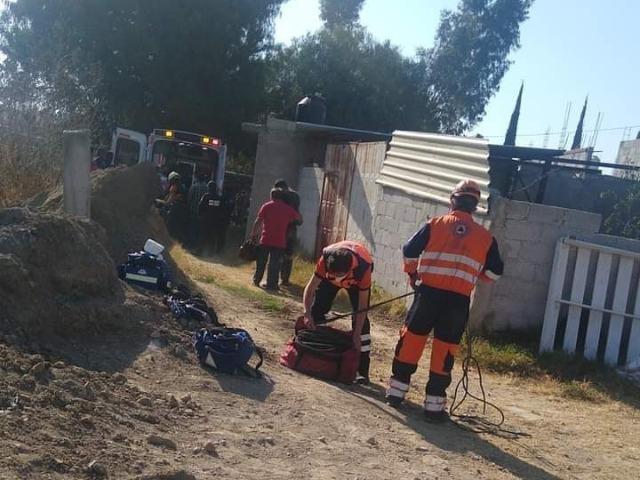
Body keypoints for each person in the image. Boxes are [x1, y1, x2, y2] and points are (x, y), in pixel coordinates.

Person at [386, 179, 504, 423]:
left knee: (411, 341)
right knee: (445, 349)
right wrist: (474, 276)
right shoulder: (485, 238)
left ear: (453, 201)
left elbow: (409, 250)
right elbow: (495, 272)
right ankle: (434, 406)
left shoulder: (435, 224)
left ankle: (396, 394)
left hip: (427, 294)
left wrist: (413, 274)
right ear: (474, 206)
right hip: (457, 302)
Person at [302, 241, 374, 384]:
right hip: (328, 284)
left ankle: (361, 371)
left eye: (338, 274)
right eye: (332, 273)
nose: (335, 277)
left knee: (362, 326)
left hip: (355, 284)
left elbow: (362, 306)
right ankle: (315, 353)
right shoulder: (326, 259)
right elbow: (310, 288)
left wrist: (357, 333)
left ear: (350, 268)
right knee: (317, 311)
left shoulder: (363, 268)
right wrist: (306, 313)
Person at [249, 189, 301, 291]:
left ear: (271, 196)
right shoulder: (288, 209)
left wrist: (253, 233)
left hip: (266, 239)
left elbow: (258, 221)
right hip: (280, 241)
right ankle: (271, 285)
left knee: (261, 262)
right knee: (275, 264)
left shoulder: (267, 206)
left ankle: (257, 280)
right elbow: (299, 219)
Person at [272, 179, 302, 287]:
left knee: (278, 253)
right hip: (292, 227)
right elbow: (297, 214)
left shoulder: (280, 195)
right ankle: (285, 279)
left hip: (282, 227)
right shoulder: (296, 196)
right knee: (288, 255)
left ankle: (277, 278)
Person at [198, 181, 228, 254]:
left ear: (209, 188)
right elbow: (223, 209)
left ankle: (201, 250)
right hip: (215, 220)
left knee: (204, 235)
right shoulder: (219, 198)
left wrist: (200, 215)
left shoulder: (206, 196)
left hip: (206, 219)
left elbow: (200, 206)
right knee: (212, 236)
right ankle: (211, 252)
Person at [188, 171, 209, 250]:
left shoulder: (194, 187)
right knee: (200, 231)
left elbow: (189, 199)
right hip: (203, 214)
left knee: (192, 230)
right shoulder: (207, 188)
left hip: (193, 212)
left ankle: (193, 246)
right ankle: (198, 247)